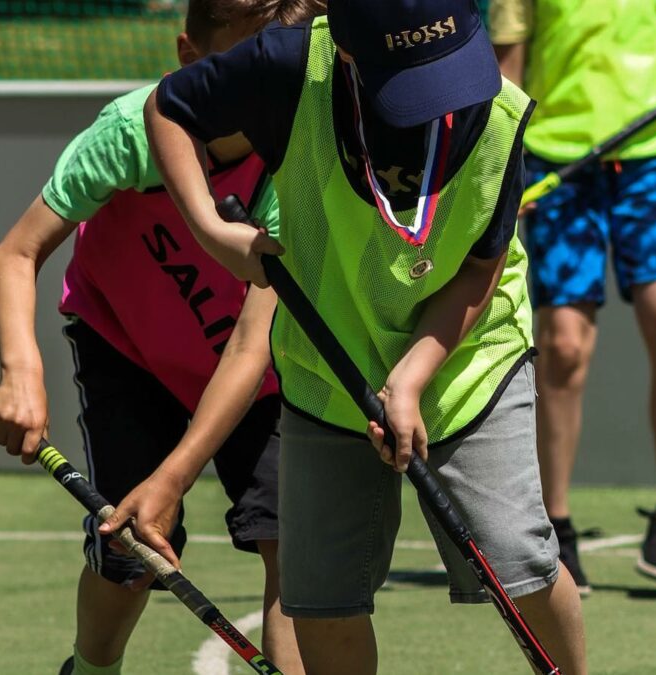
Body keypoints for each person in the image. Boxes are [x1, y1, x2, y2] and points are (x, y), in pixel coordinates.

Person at [107, 0, 588, 672]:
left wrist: (413, 375)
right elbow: (169, 108)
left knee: (517, 560)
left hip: (466, 361)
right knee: (322, 597)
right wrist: (214, 232)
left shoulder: (498, 111)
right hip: (329, 368)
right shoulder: (287, 64)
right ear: (350, 54)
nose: (436, 100)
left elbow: (480, 270)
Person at [0, 2, 324, 673]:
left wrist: (174, 474)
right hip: (125, 347)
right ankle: (90, 667)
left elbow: (251, 346)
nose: (266, 89)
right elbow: (16, 254)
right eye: (244, 66)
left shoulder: (295, 165)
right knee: (132, 553)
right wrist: (19, 370)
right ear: (189, 59)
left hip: (249, 372)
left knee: (293, 541)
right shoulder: (128, 133)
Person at [489, 0, 656, 591]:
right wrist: (505, 162)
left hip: (649, 160)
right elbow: (507, 67)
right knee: (562, 346)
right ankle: (554, 525)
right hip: (559, 165)